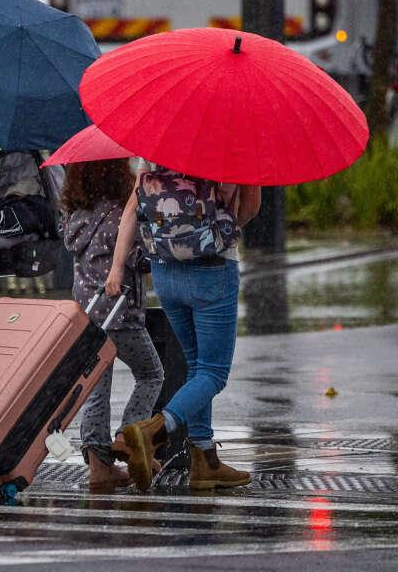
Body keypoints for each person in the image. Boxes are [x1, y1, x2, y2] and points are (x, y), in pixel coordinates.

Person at [105, 168, 261, 491]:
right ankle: (153, 432)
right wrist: (214, 234)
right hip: (212, 269)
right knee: (213, 373)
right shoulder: (234, 144)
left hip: (164, 271)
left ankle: (204, 458)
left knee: (195, 366)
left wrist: (117, 267)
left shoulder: (159, 142)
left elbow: (134, 207)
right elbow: (251, 207)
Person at [60, 160, 164, 491]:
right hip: (121, 315)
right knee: (151, 374)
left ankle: (99, 467)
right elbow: (143, 259)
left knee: (96, 390)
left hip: (87, 316)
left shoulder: (75, 218)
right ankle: (129, 433)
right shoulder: (122, 216)